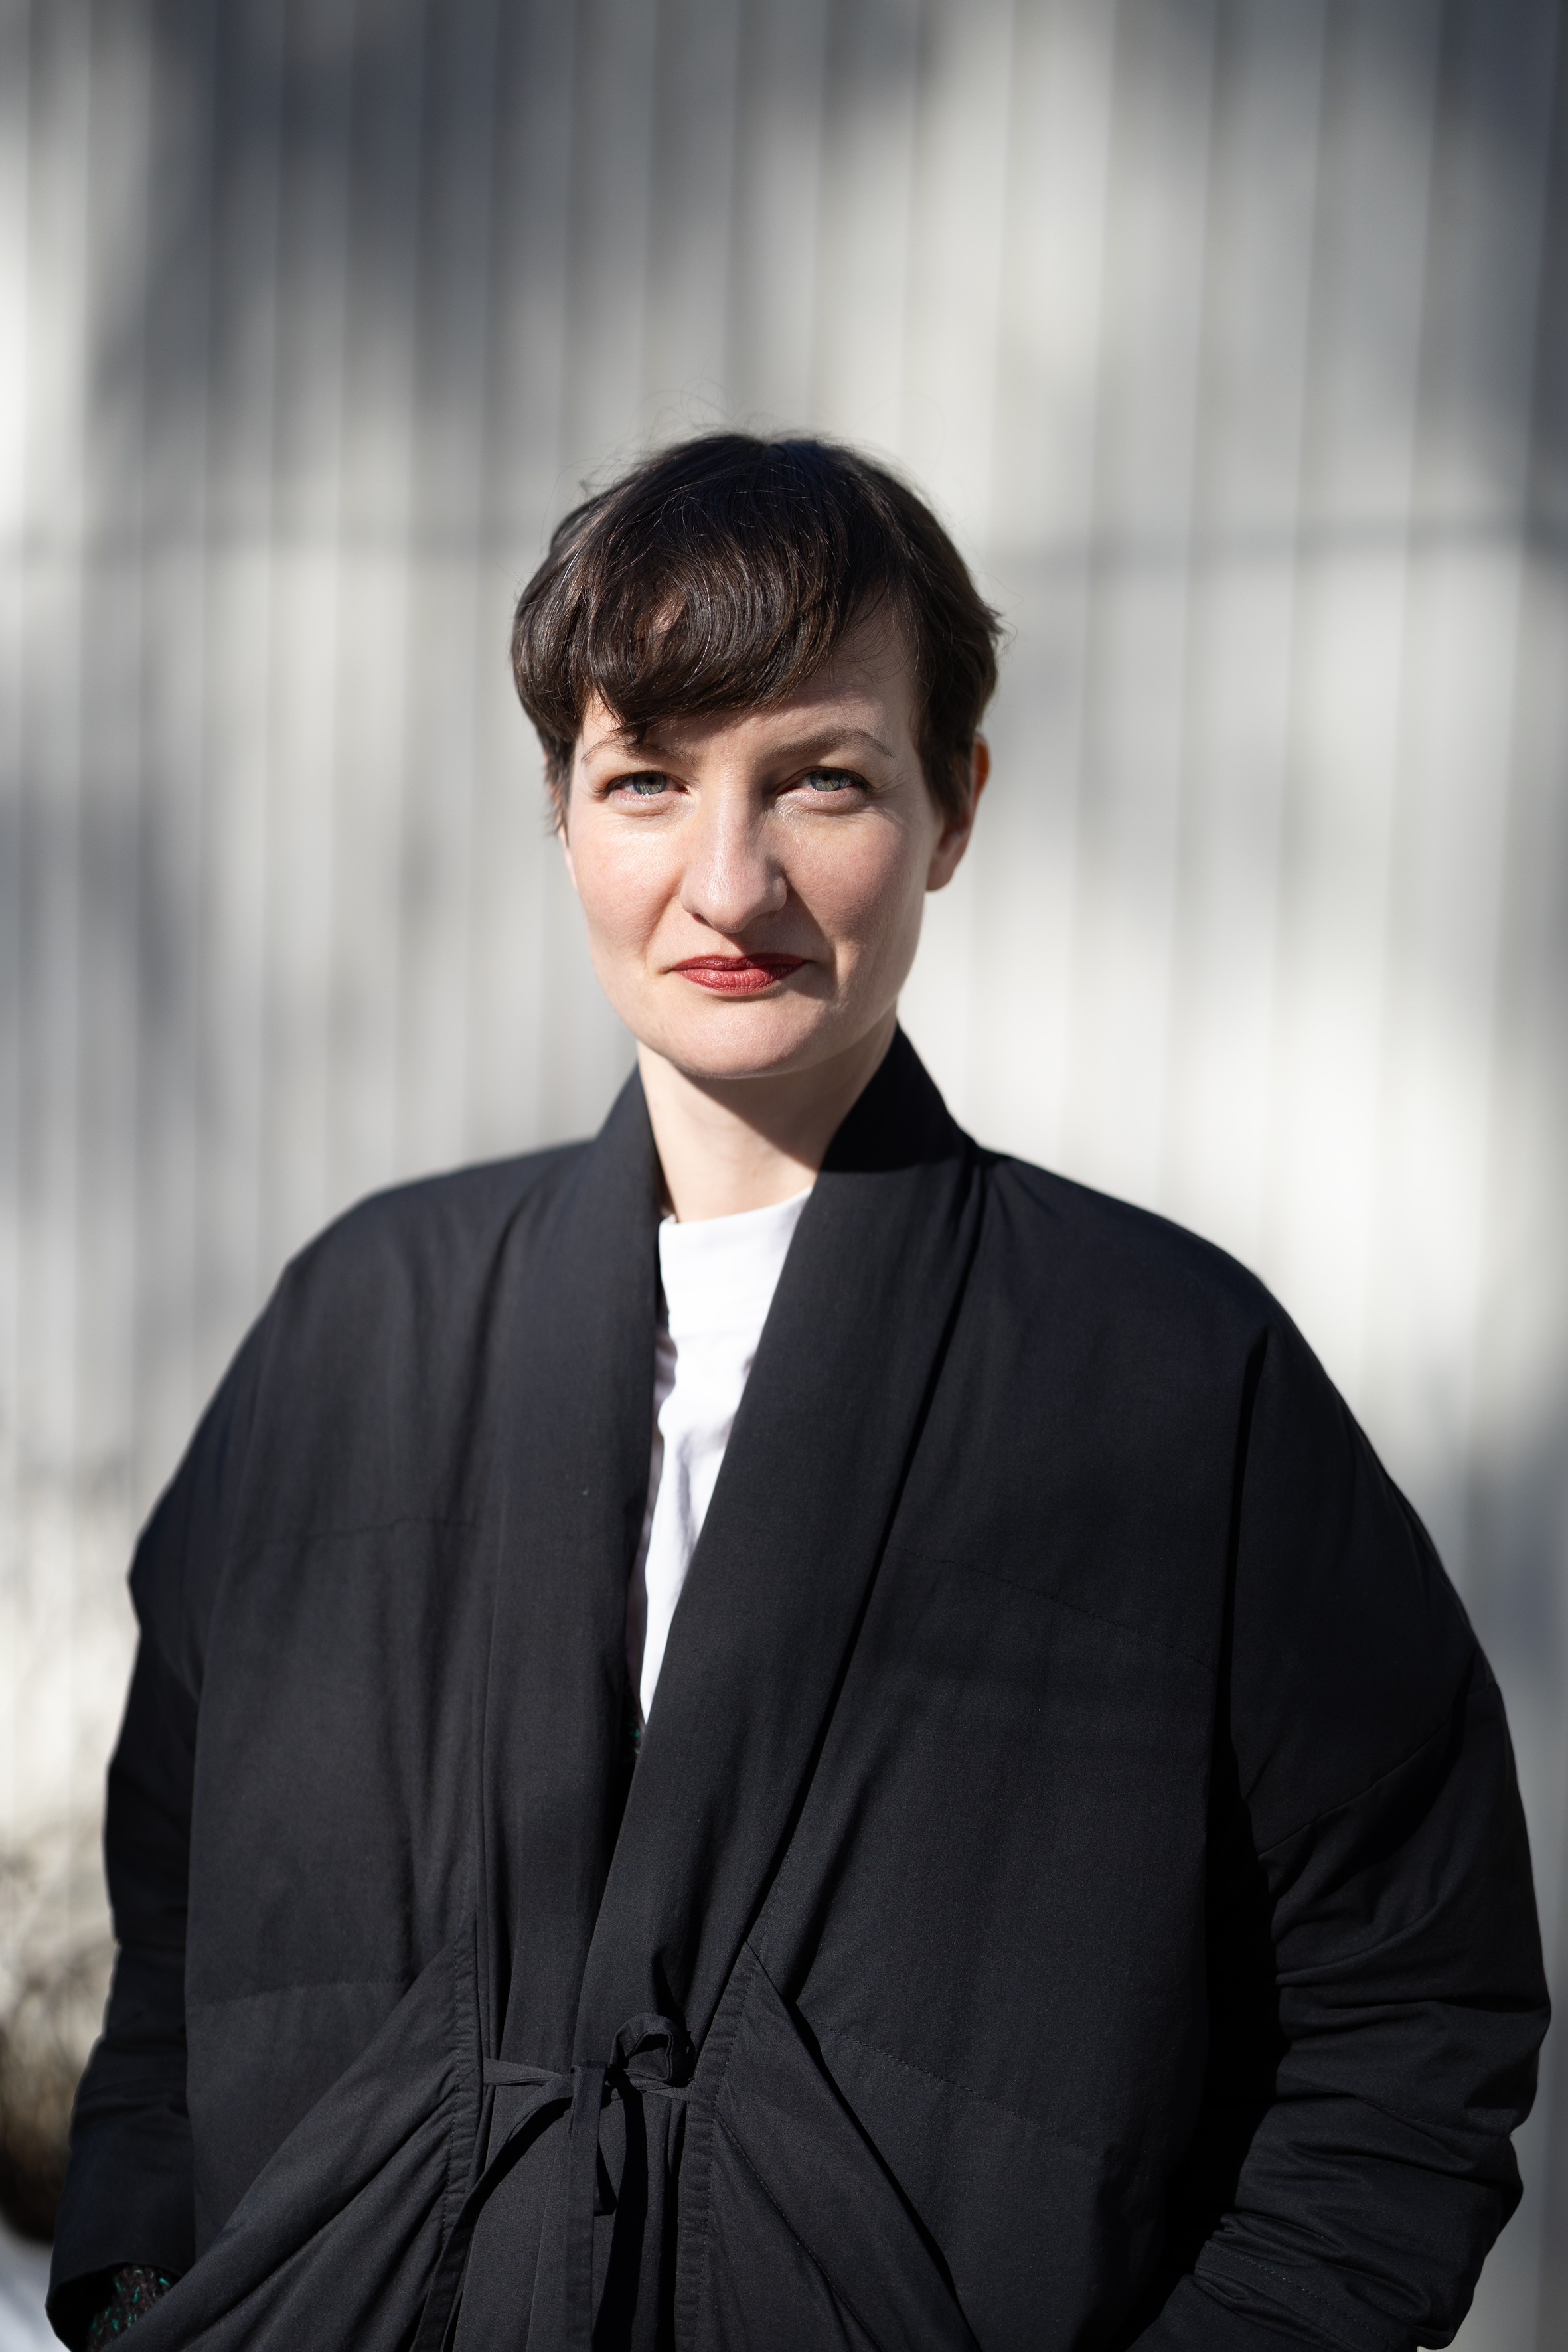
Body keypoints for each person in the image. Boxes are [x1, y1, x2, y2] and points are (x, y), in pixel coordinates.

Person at [49, 434, 1547, 2352]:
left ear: (952, 807)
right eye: (648, 781)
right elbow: (172, 1950)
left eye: (820, 779)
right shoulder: (357, 1328)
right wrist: (141, 2288)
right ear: (561, 806)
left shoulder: (1172, 1380)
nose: (726, 882)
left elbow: (1407, 2019)